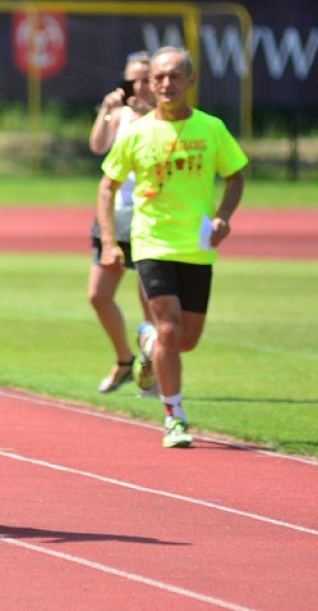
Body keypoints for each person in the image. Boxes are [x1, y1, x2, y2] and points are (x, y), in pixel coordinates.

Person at [96, 46, 247, 449]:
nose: (166, 84)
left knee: (186, 339)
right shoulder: (137, 132)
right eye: (159, 77)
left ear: (190, 81)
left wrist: (224, 216)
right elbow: (107, 186)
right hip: (152, 243)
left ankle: (147, 342)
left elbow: (236, 174)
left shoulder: (211, 128)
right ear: (151, 83)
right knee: (169, 328)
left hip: (197, 245)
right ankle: (174, 416)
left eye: (175, 76)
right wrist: (109, 242)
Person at [87, 52, 156, 396]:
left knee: (150, 303)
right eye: (133, 80)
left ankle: (153, 370)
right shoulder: (120, 114)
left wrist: (150, 114)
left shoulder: (163, 120)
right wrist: (106, 110)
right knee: (98, 295)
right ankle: (124, 359)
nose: (139, 86)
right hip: (114, 215)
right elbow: (98, 145)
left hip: (150, 218)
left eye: (146, 79)